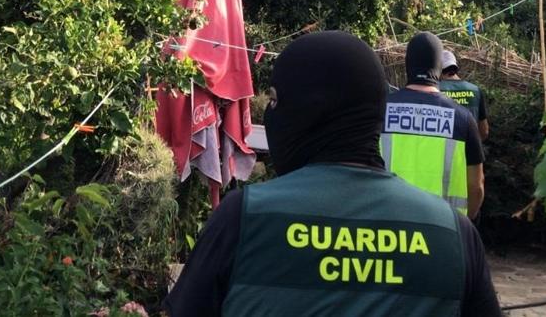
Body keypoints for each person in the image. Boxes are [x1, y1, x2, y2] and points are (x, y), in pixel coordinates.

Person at [164, 31, 501, 316]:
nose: (270, 114)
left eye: (275, 100)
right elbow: (476, 185)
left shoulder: (242, 218)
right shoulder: (457, 236)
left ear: (307, 111)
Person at [381, 32, 485, 218]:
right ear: (439, 67)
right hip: (444, 230)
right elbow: (476, 187)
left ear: (408, 65)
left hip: (389, 229)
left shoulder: (378, 112)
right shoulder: (463, 119)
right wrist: (463, 225)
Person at [438, 50, 490, 140]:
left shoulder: (435, 90)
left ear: (437, 69)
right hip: (469, 151)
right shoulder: (475, 90)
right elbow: (484, 131)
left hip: (441, 150)